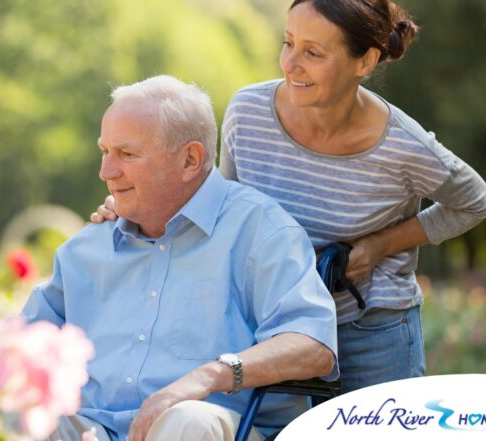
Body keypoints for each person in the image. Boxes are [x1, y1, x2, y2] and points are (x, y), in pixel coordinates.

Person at [0, 75, 338, 441]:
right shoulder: (86, 248)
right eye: (104, 152)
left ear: (190, 160)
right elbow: (19, 346)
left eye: (126, 154)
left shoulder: (259, 230)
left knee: (187, 421)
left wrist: (209, 376)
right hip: (92, 431)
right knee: (8, 416)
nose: (106, 171)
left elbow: (313, 344)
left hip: (212, 430)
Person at [92, 0, 486, 395]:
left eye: (313, 53)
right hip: (272, 330)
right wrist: (135, 207)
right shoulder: (248, 113)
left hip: (369, 329)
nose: (290, 64)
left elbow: (475, 201)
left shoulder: (403, 145)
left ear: (364, 61)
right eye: (288, 43)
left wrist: (381, 245)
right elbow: (223, 209)